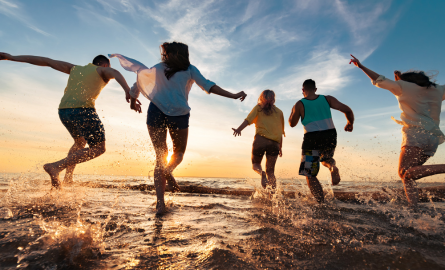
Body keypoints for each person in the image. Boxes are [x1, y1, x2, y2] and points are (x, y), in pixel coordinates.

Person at [110, 42, 247, 215]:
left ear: (174, 53)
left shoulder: (160, 68)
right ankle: (167, 175)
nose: (164, 56)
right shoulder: (189, 69)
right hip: (178, 114)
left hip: (156, 111)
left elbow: (139, 81)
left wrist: (132, 102)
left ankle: (161, 203)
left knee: (161, 157)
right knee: (178, 154)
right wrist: (233, 95)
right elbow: (208, 85)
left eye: (166, 53)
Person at [0, 52, 138, 188]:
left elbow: (46, 60)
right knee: (98, 148)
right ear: (105, 64)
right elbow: (116, 73)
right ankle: (55, 167)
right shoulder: (102, 70)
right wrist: (128, 90)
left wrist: (11, 57)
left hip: (64, 111)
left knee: (80, 142)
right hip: (83, 110)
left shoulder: (74, 68)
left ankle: (68, 178)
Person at [350, 55, 445, 206]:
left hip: (416, 135)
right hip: (433, 139)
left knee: (405, 173)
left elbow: (379, 79)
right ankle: (414, 208)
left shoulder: (402, 86)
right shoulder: (438, 90)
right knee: (408, 174)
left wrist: (360, 66)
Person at [289, 79, 354, 203]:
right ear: (315, 89)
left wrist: (293, 112)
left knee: (310, 174)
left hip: (311, 137)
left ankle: (321, 203)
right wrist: (350, 123)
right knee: (325, 158)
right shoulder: (327, 99)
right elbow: (347, 110)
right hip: (329, 134)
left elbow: (292, 123)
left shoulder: (300, 104)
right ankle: (332, 166)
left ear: (303, 90)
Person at [232, 90, 284, 190]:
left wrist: (239, 129)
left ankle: (261, 173)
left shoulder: (258, 108)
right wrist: (280, 147)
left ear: (261, 97)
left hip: (261, 140)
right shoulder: (279, 112)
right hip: (274, 144)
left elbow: (248, 120)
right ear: (273, 99)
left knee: (255, 164)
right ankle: (273, 198)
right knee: (271, 172)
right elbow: (280, 131)